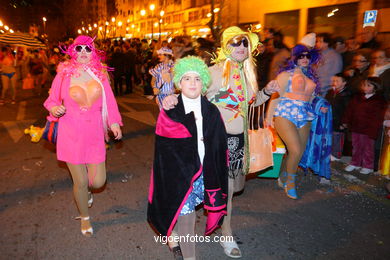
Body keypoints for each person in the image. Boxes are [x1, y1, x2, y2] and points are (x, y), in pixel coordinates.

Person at [163, 26, 279, 258]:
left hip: (238, 142)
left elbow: (249, 106)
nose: (241, 47)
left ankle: (221, 231)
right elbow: (191, 91)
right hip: (213, 141)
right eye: (236, 43)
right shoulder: (213, 72)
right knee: (197, 190)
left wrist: (266, 92)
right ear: (226, 46)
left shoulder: (248, 74)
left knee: (229, 192)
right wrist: (173, 97)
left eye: (245, 43)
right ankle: (188, 230)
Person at [148, 56, 228, 260]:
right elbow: (163, 152)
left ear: (204, 82)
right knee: (187, 217)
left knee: (189, 212)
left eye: (197, 78)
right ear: (178, 83)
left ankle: (173, 237)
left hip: (204, 173)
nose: (192, 83)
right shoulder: (171, 110)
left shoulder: (211, 111)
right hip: (179, 176)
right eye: (186, 78)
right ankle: (189, 256)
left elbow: (219, 147)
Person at [43, 35, 123, 237]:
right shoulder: (63, 74)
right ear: (73, 51)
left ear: (93, 52)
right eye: (79, 49)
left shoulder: (100, 74)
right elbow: (51, 101)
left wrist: (114, 123)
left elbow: (110, 102)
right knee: (79, 181)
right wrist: (55, 109)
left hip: (94, 133)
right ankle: (85, 217)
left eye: (88, 49)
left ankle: (87, 192)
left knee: (97, 182)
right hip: (70, 133)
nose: (84, 53)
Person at [266, 35, 321, 200]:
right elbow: (275, 96)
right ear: (295, 58)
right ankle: (290, 182)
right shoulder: (285, 75)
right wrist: (269, 118)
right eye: (301, 56)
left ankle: (283, 174)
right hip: (285, 113)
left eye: (307, 56)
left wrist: (321, 105)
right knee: (295, 149)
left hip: (305, 115)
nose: (304, 59)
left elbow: (311, 98)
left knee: (296, 151)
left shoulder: (311, 77)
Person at [342, 77, 386, 174]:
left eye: (368, 85)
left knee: (368, 148)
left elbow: (378, 117)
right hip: (356, 127)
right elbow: (350, 110)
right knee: (356, 146)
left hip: (369, 129)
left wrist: (373, 130)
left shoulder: (379, 101)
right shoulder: (357, 97)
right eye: (364, 85)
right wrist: (345, 121)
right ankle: (355, 163)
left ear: (376, 87)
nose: (365, 87)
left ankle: (368, 166)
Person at [325, 73, 352, 161]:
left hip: (339, 121)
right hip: (330, 119)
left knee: (337, 137)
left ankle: (336, 155)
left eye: (337, 81)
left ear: (344, 83)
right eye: (334, 81)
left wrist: (344, 122)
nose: (334, 82)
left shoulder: (346, 95)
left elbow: (348, 111)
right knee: (329, 136)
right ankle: (328, 152)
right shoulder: (330, 92)